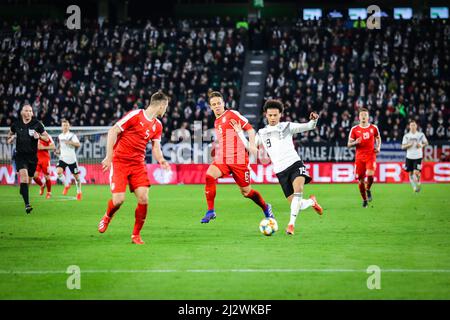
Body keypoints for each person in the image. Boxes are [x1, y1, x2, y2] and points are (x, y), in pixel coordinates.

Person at [231, 99, 323, 235]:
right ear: (266, 115)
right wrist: (239, 132)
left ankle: (291, 225)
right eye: (270, 115)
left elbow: (308, 126)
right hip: (280, 171)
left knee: (299, 191)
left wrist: (314, 120)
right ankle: (311, 202)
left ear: (280, 114)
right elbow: (250, 147)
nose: (273, 118)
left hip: (295, 164)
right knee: (296, 204)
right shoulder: (262, 133)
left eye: (275, 115)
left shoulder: (287, 126)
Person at [98, 91, 171, 245]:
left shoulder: (157, 125)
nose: (165, 110)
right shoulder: (135, 115)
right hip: (120, 162)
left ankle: (136, 235)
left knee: (144, 198)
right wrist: (109, 157)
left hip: (138, 164)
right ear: (161, 105)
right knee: (118, 200)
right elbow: (113, 131)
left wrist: (162, 160)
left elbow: (156, 147)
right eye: (166, 107)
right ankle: (107, 216)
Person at [201, 90, 274, 224]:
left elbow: (250, 130)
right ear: (210, 107)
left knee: (246, 192)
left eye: (218, 103)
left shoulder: (231, 114)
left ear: (223, 103)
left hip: (239, 160)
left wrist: (252, 147)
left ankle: (265, 207)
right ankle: (211, 211)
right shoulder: (217, 121)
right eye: (214, 104)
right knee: (209, 175)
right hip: (223, 157)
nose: (217, 106)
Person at [6, 104, 49, 213]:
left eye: (30, 111)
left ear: (32, 113)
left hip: (33, 157)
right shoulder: (16, 124)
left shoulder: (37, 124)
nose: (29, 112)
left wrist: (39, 136)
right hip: (20, 156)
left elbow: (46, 137)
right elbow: (9, 135)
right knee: (24, 178)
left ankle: (23, 190)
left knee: (28, 181)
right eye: (26, 111)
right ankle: (27, 205)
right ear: (22, 112)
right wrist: (10, 138)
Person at [347, 108, 381, 208]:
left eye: (365, 115)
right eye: (361, 115)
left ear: (368, 117)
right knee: (360, 180)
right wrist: (355, 142)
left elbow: (378, 138)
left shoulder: (374, 128)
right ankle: (364, 199)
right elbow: (348, 144)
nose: (363, 117)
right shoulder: (354, 129)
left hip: (371, 155)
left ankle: (368, 188)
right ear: (359, 117)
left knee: (370, 175)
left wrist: (378, 147)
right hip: (359, 157)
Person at [56, 119, 82, 200]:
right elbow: (61, 146)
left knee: (77, 178)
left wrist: (70, 142)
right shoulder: (60, 136)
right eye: (64, 125)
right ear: (61, 127)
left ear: (69, 126)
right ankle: (67, 185)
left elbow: (78, 144)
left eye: (67, 125)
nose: (65, 127)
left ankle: (79, 192)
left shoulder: (72, 135)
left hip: (72, 159)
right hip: (63, 158)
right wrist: (58, 151)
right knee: (58, 172)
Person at [401, 120, 428, 192]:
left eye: (414, 125)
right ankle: (414, 187)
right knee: (410, 173)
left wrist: (421, 145)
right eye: (411, 125)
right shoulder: (406, 136)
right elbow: (402, 147)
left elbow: (426, 143)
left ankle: (418, 182)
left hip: (418, 156)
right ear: (409, 126)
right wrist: (408, 145)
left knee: (416, 172)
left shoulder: (421, 135)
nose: (413, 126)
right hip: (409, 157)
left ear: (416, 126)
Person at [33, 134, 55, 199]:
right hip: (36, 159)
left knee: (47, 177)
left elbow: (53, 146)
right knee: (34, 176)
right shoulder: (33, 135)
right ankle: (42, 185)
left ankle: (49, 192)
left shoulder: (47, 136)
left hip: (45, 159)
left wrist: (43, 147)